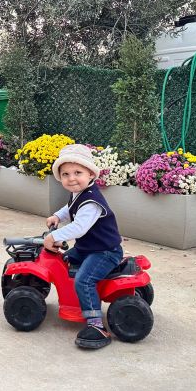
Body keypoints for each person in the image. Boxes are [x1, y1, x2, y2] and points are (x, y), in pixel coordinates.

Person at [44, 143, 123, 349]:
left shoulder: (91, 201)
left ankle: (96, 325)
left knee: (83, 280)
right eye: (65, 174)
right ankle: (73, 300)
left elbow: (79, 227)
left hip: (104, 251)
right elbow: (70, 208)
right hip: (89, 247)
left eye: (77, 172)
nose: (71, 178)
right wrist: (57, 216)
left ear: (90, 174)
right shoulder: (78, 193)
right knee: (66, 260)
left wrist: (54, 237)